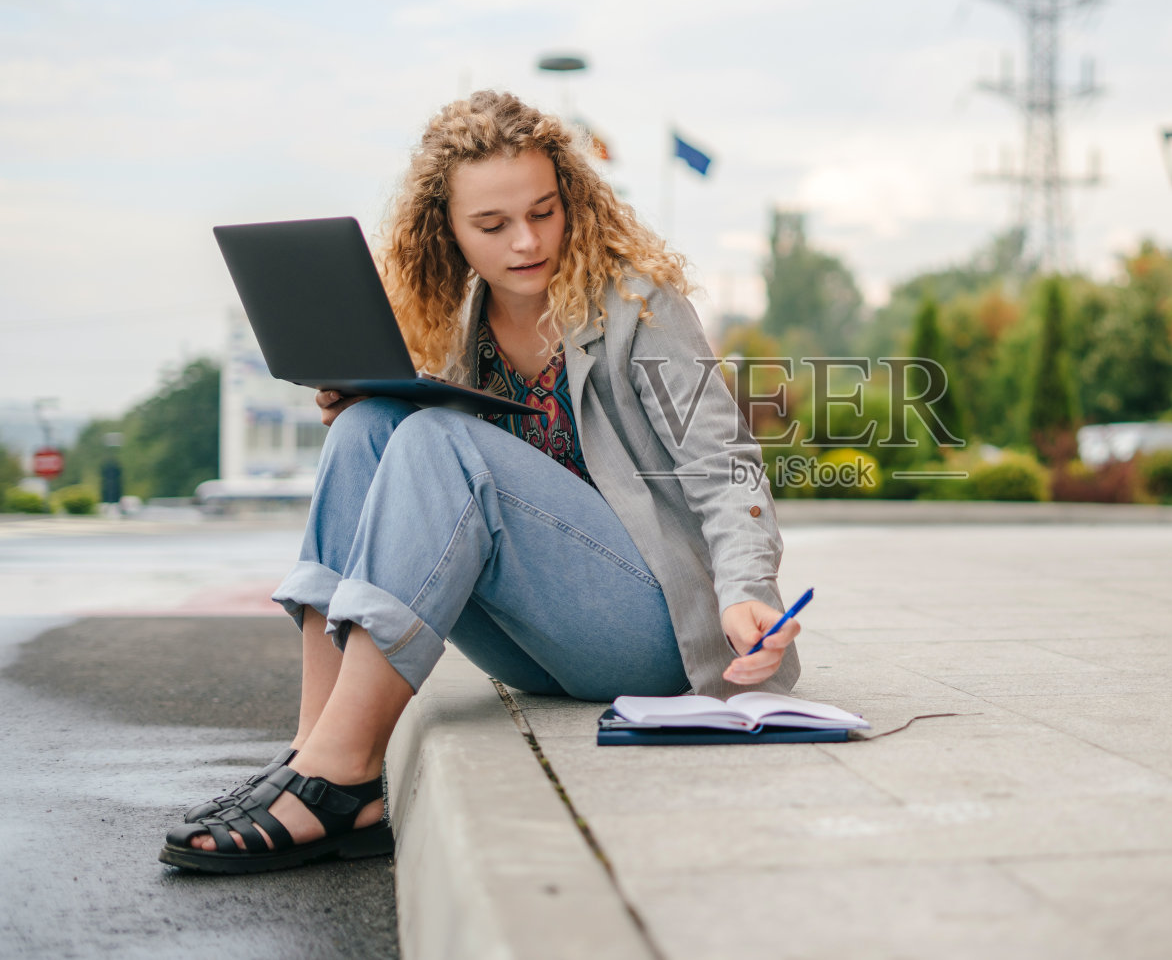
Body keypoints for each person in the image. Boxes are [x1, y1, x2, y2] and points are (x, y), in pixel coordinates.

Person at [161, 90, 800, 874]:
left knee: (435, 436)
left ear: (573, 201)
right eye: (492, 226)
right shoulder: (457, 319)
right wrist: (375, 395)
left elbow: (723, 457)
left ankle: (338, 771)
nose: (526, 242)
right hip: (539, 643)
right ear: (449, 230)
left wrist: (748, 586)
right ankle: (316, 748)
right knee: (368, 424)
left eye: (543, 211)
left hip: (654, 632)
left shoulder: (639, 303)